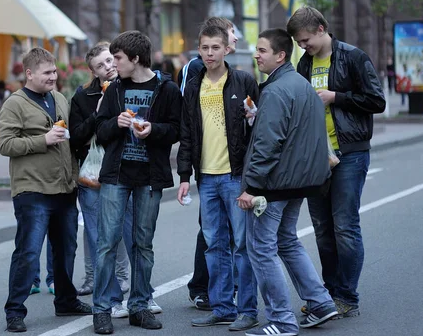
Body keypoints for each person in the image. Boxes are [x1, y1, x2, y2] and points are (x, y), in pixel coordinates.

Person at [287, 7, 385, 319]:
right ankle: (326, 295)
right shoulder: (303, 63)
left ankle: (347, 296)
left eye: (306, 40)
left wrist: (336, 97)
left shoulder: (353, 57)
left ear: (320, 28)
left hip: (350, 152)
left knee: (344, 226)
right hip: (317, 156)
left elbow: (377, 101)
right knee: (322, 229)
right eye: (299, 43)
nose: (304, 47)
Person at [238, 29, 338, 336]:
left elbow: (268, 143)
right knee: (286, 241)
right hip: (299, 182)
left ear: (281, 55)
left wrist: (251, 187)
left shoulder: (276, 90)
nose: (257, 55)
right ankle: (320, 302)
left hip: (274, 185)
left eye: (262, 50)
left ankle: (281, 321)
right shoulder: (301, 85)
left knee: (261, 248)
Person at [0, 47, 92, 333]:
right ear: (29, 73)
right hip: (32, 191)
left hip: (64, 188)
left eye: (54, 71)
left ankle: (65, 300)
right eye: (47, 73)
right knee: (28, 252)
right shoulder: (15, 104)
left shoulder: (59, 98)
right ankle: (15, 311)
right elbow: (5, 144)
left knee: (66, 250)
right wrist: (43, 139)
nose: (54, 77)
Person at [92, 31, 181, 334]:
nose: (114, 64)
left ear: (135, 58)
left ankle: (139, 307)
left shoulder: (166, 88)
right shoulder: (115, 89)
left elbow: (177, 130)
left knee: (143, 244)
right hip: (116, 175)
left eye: (117, 58)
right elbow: (100, 132)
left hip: (149, 176)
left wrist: (153, 129)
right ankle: (102, 310)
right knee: (107, 242)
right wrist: (115, 124)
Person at [176, 25, 259, 331]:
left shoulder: (243, 80)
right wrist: (184, 175)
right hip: (206, 178)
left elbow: (258, 127)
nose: (209, 54)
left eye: (215, 48)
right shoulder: (194, 85)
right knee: (214, 245)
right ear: (199, 51)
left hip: (235, 176)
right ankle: (222, 306)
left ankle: (248, 309)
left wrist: (255, 117)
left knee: (242, 245)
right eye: (204, 48)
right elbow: (186, 133)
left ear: (227, 50)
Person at [69, 43, 135, 320]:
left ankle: (130, 282)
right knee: (98, 233)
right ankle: (104, 290)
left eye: (110, 60)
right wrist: (98, 112)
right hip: (94, 175)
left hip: (126, 170)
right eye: (101, 65)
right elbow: (76, 136)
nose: (108, 67)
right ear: (93, 71)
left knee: (128, 231)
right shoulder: (84, 96)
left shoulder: (132, 86)